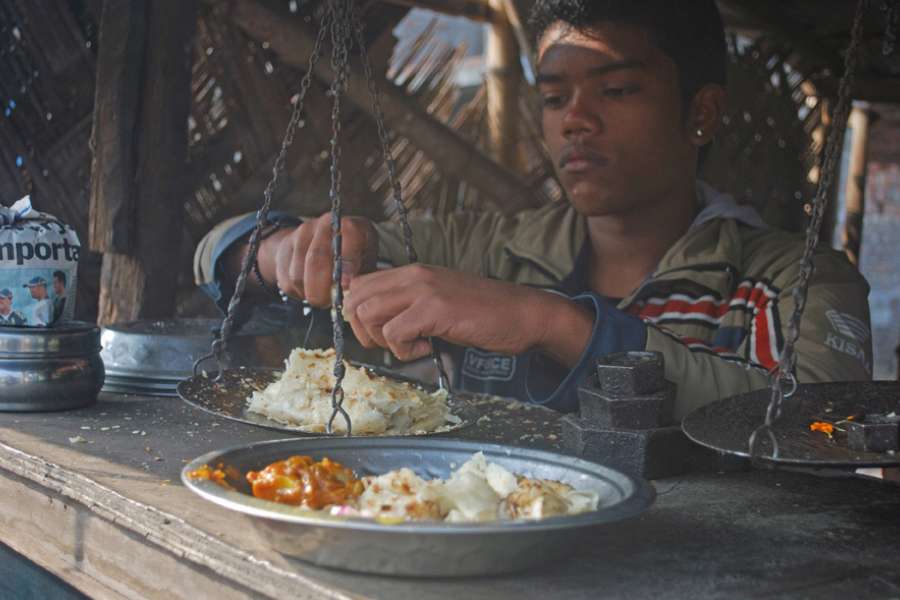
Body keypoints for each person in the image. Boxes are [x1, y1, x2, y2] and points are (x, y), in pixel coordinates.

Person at [195, 0, 872, 420]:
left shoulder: (791, 282)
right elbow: (217, 251)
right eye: (554, 98)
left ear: (701, 111)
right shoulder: (492, 249)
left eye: (617, 90)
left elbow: (817, 424)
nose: (576, 121)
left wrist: (553, 322)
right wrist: (286, 250)